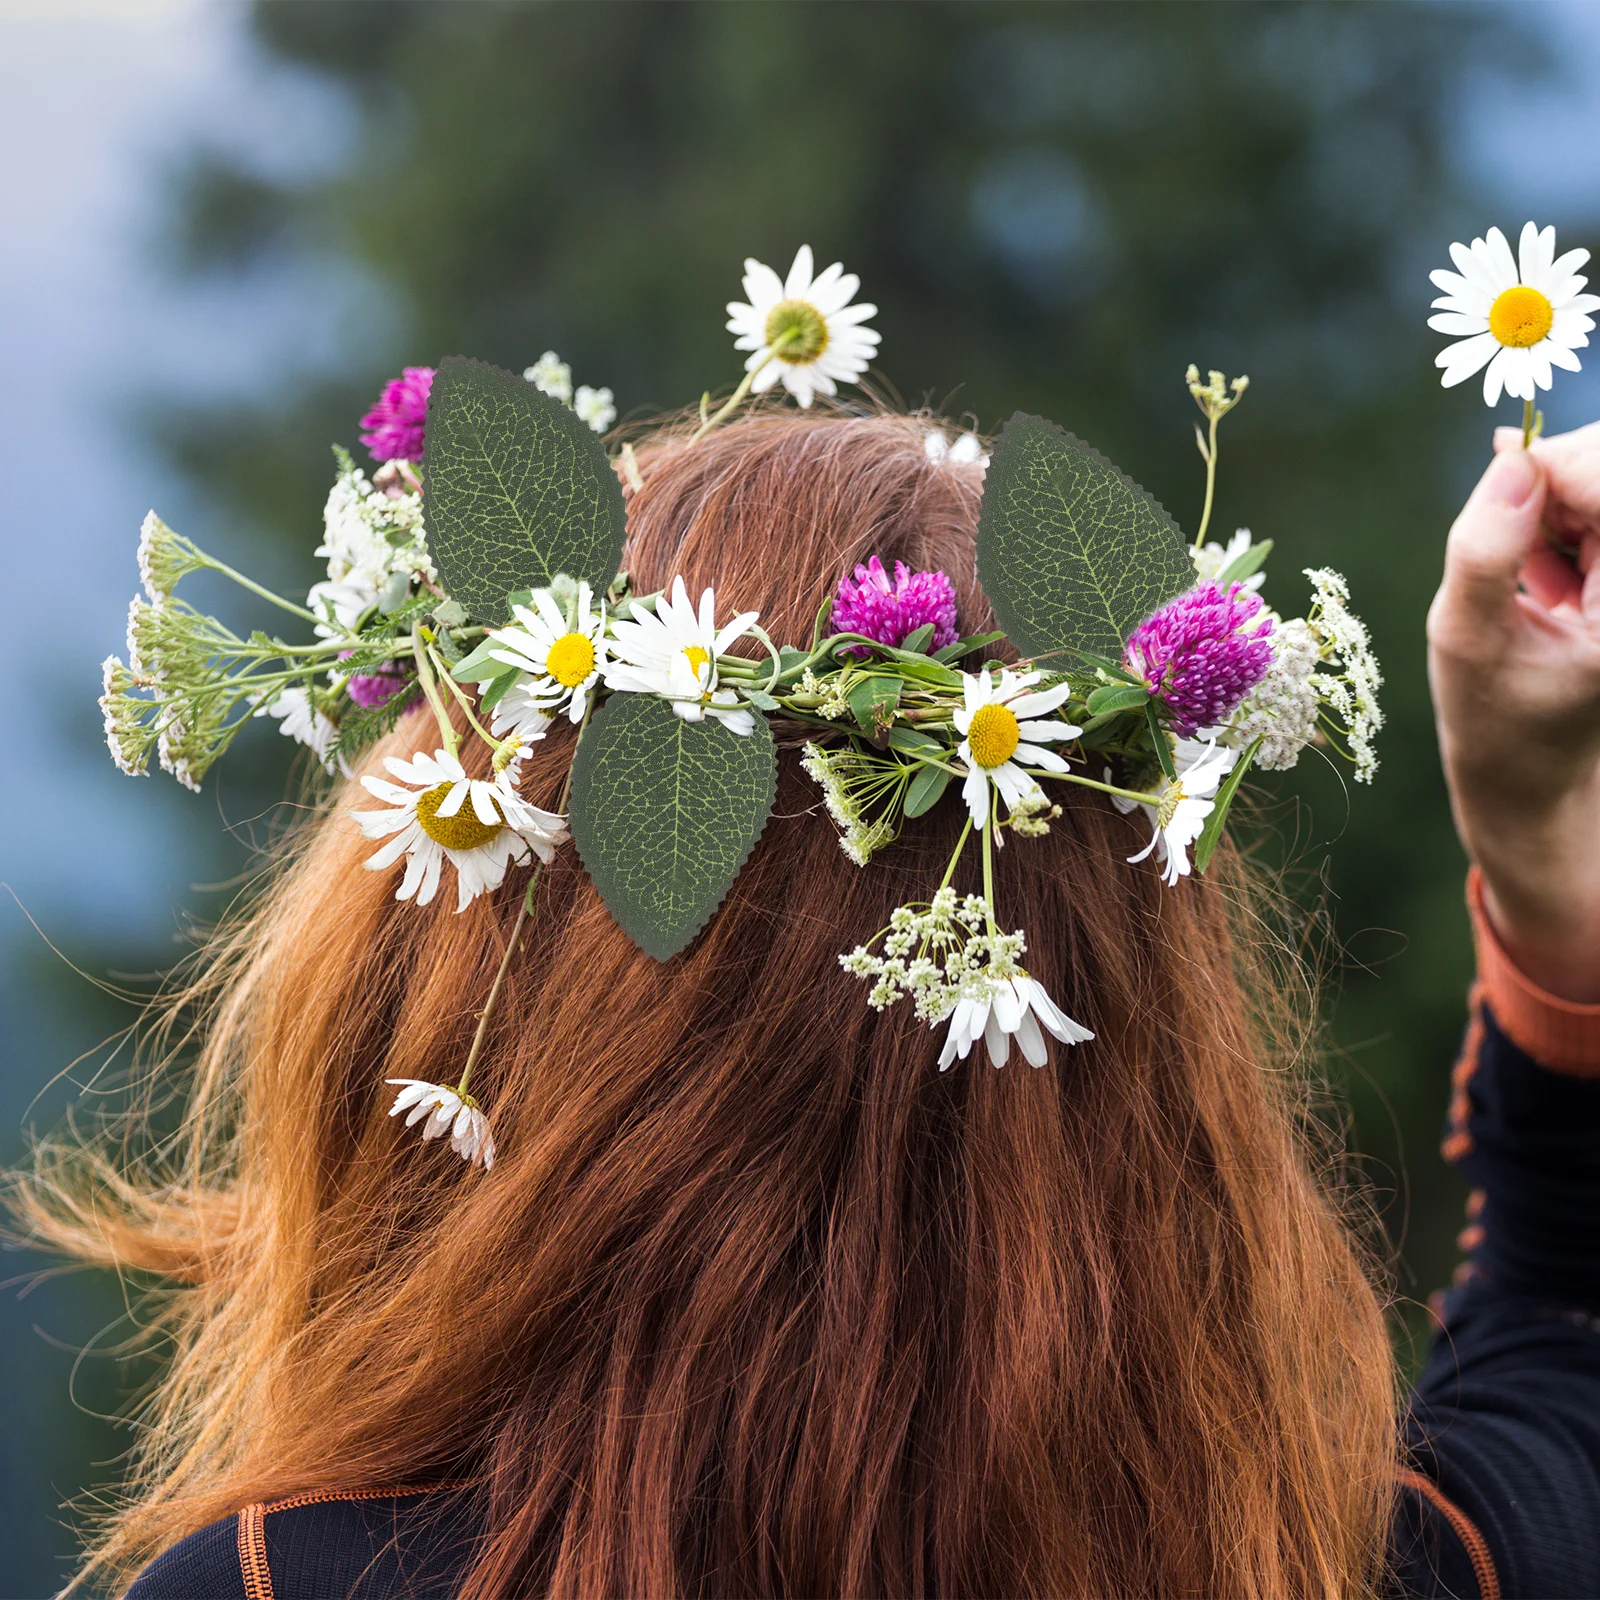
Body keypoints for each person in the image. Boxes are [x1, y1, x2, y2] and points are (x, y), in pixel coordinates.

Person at [16, 410, 1600, 1599]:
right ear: (1150, 1056)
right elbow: (1566, 1347)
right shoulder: (1334, 1570)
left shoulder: (298, 1586)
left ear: (460, 989)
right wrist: (1545, 855)